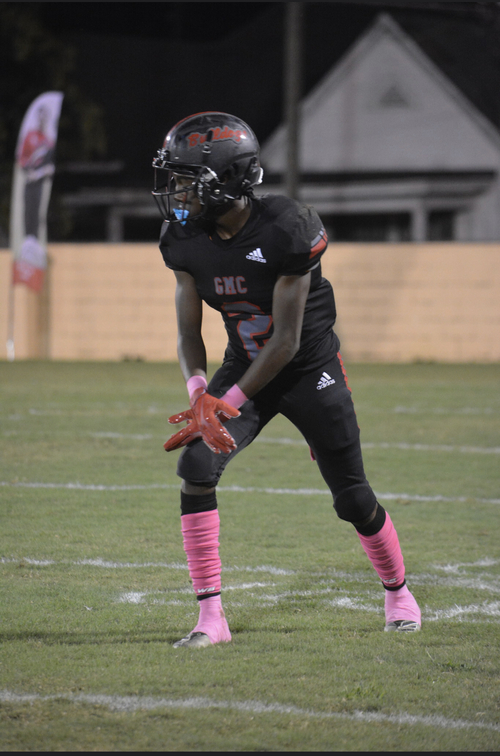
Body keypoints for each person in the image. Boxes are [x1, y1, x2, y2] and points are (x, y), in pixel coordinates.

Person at [152, 111, 421, 648]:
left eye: (189, 180)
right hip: (243, 364)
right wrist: (199, 393)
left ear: (228, 181)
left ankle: (399, 594)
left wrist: (226, 401)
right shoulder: (182, 239)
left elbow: (286, 343)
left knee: (352, 498)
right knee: (196, 466)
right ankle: (211, 619)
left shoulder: (287, 228)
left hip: (307, 369)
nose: (178, 193)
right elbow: (187, 332)